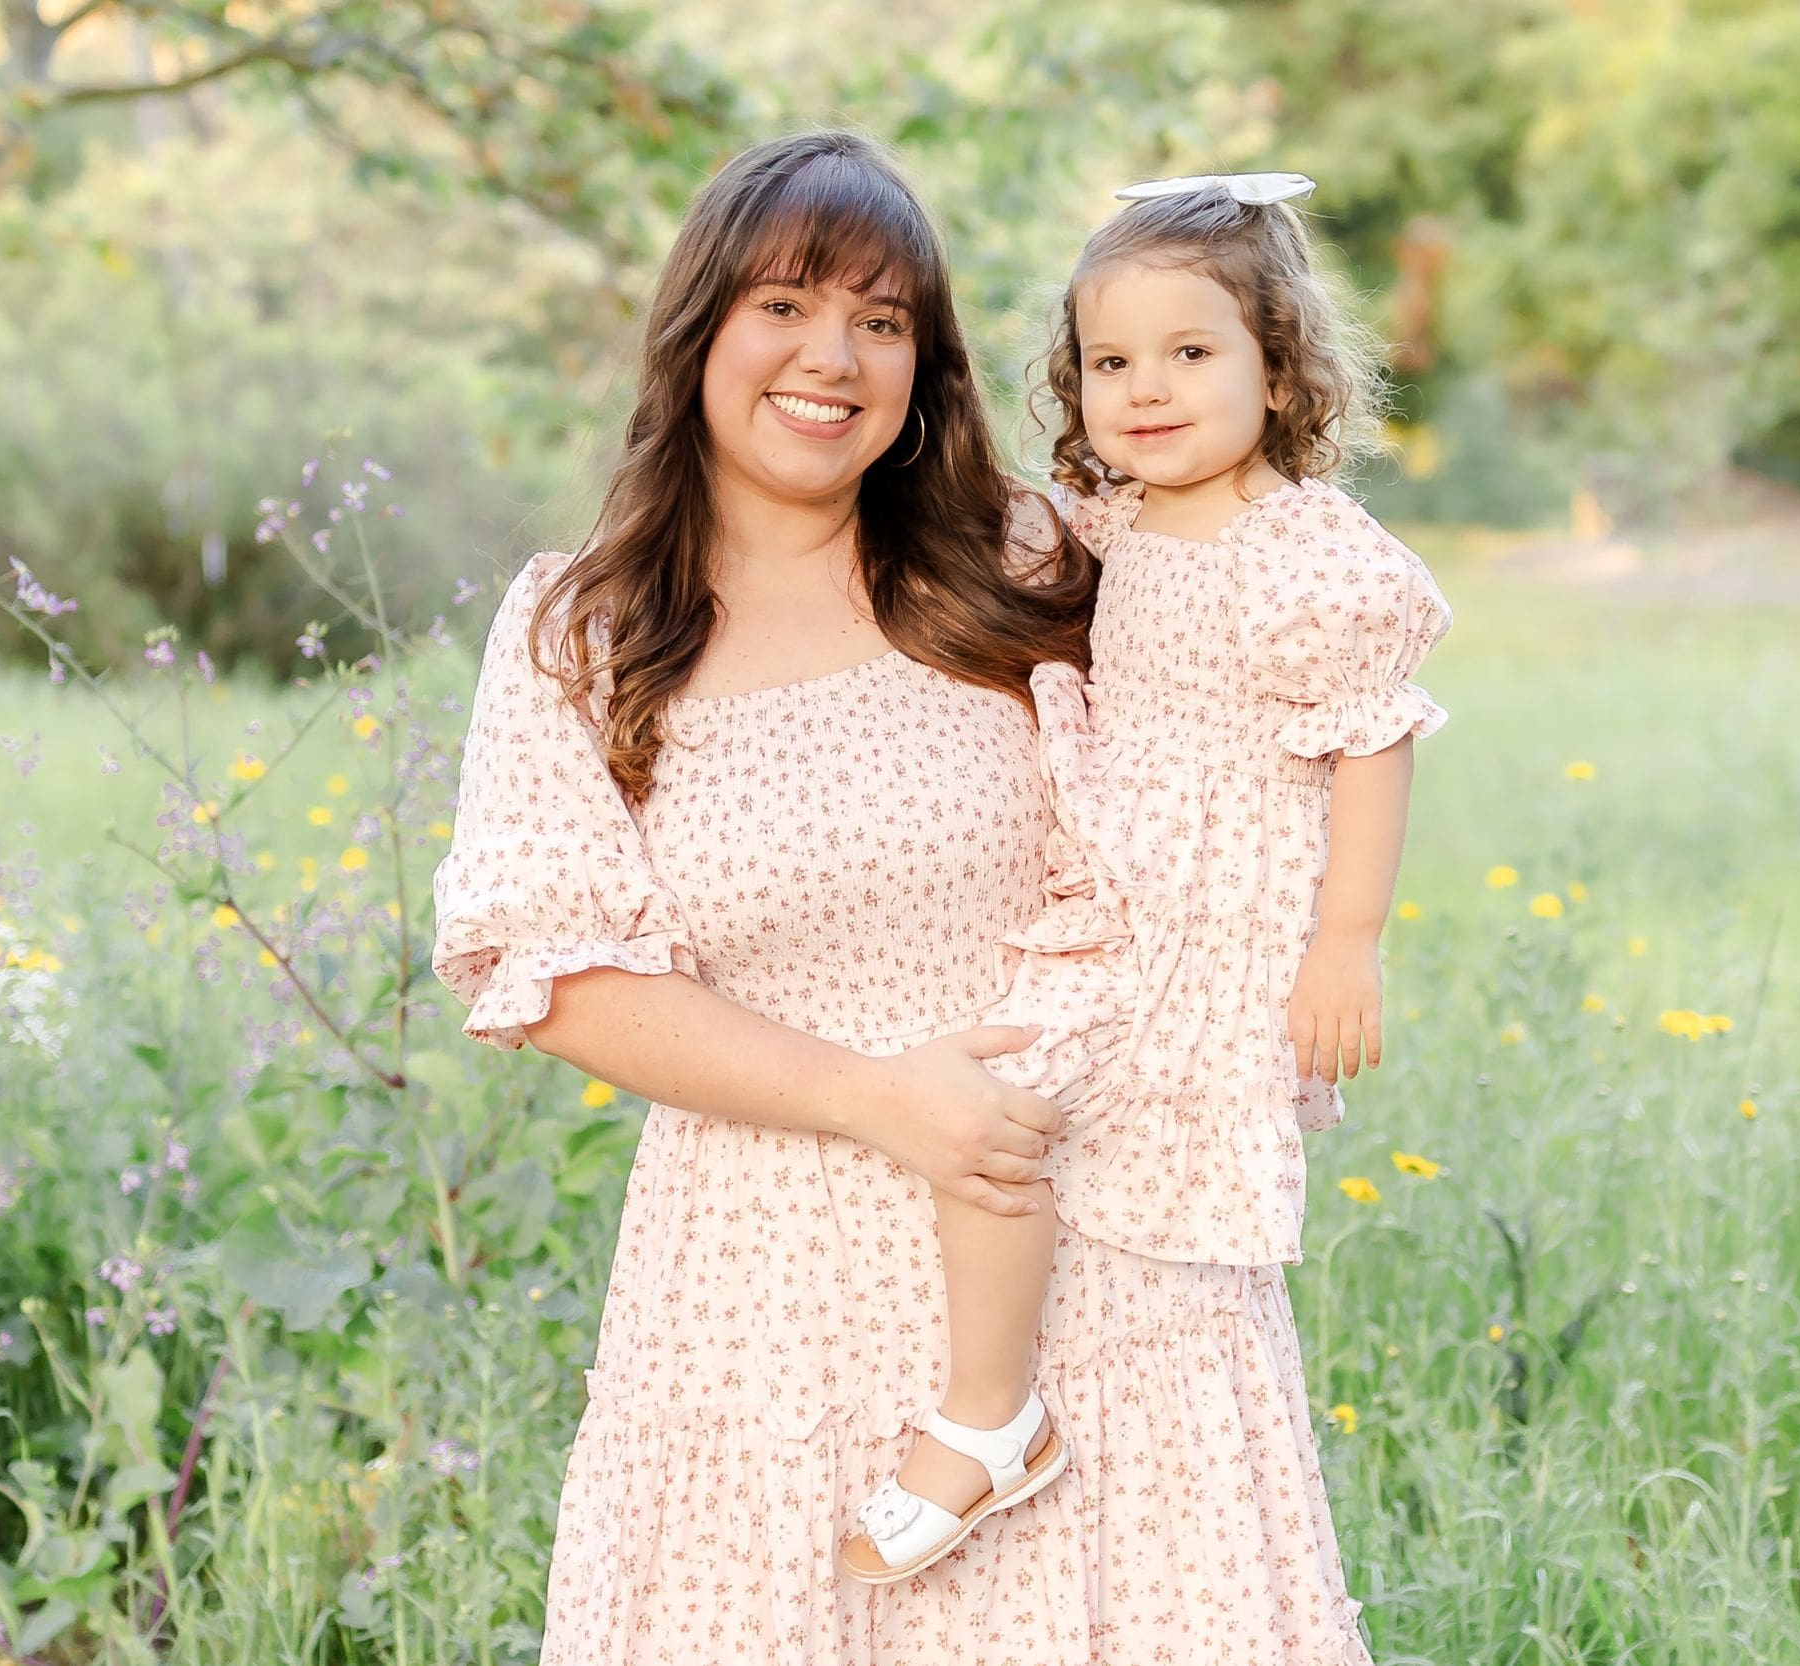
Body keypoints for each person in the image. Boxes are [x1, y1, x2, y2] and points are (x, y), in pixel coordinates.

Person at [432, 131, 1374, 1663]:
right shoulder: (584, 627)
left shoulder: (1028, 557)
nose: (835, 356)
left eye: (884, 320)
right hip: (766, 1291)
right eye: (788, 304)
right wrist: (878, 1096)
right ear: (700, 330)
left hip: (1095, 1248)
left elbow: (1288, 638)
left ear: (927, 364)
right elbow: (557, 973)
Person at [836, 172, 1452, 1587]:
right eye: (1112, 362)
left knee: (1008, 1120)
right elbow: (997, 520)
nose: (1147, 390)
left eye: (1191, 354)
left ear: (1278, 366)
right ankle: (1009, 1406)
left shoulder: (1300, 552)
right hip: (1116, 890)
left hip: (1214, 919)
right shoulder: (1118, 517)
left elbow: (1372, 741)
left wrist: (1346, 942)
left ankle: (990, 1420)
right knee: (1018, 1122)